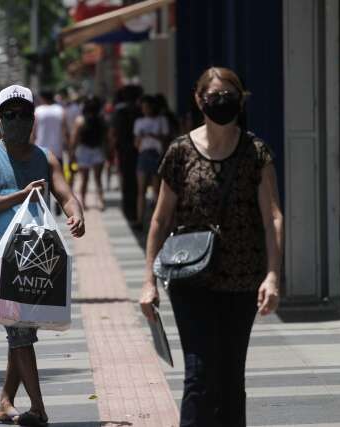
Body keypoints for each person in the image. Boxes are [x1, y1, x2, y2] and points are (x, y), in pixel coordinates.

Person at [139, 67, 283, 427]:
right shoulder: (179, 152)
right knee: (200, 376)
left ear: (241, 100)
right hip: (191, 278)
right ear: (199, 99)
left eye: (230, 96)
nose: (223, 103)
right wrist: (148, 281)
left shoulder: (256, 152)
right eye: (215, 96)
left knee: (231, 377)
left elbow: (272, 218)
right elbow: (159, 220)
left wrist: (273, 276)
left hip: (243, 278)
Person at [0, 84, 85, 427]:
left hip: (36, 252)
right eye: (10, 115)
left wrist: (75, 213)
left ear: (33, 118)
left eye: (23, 114)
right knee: (19, 331)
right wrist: (20, 195)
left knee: (19, 330)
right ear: (0, 119)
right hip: (1, 255)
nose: (17, 120)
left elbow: (65, 194)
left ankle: (6, 401)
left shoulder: (45, 157)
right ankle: (38, 407)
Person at [133, 95, 169, 229]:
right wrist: (141, 137)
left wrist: (153, 135)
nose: (145, 109)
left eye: (147, 107)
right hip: (143, 154)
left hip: (157, 155)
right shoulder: (139, 122)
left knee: (156, 190)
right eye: (143, 107)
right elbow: (136, 144)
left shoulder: (161, 120)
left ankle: (156, 221)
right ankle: (139, 219)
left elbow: (166, 139)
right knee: (141, 189)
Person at [110, 84, 142, 223]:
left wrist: (111, 149)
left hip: (123, 149)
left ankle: (128, 210)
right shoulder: (140, 110)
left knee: (127, 180)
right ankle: (135, 210)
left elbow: (113, 133)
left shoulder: (119, 111)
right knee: (137, 182)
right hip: (138, 150)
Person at [71, 95, 108, 210]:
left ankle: (83, 202)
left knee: (84, 179)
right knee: (98, 179)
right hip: (97, 150)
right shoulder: (102, 119)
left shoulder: (80, 120)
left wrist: (72, 153)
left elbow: (74, 139)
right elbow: (105, 138)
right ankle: (100, 202)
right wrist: (106, 152)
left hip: (83, 150)